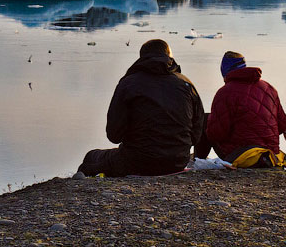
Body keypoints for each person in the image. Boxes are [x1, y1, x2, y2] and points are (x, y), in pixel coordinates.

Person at [77, 39, 204, 177]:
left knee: (91, 157)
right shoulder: (186, 84)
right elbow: (196, 133)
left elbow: (114, 135)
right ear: (169, 56)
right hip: (178, 161)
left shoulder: (128, 83)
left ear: (142, 57)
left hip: (137, 162)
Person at [195, 51, 286, 164]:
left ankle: (197, 161)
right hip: (271, 156)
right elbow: (283, 126)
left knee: (205, 120)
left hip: (243, 156)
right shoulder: (269, 88)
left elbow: (216, 134)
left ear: (225, 71)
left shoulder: (225, 92)